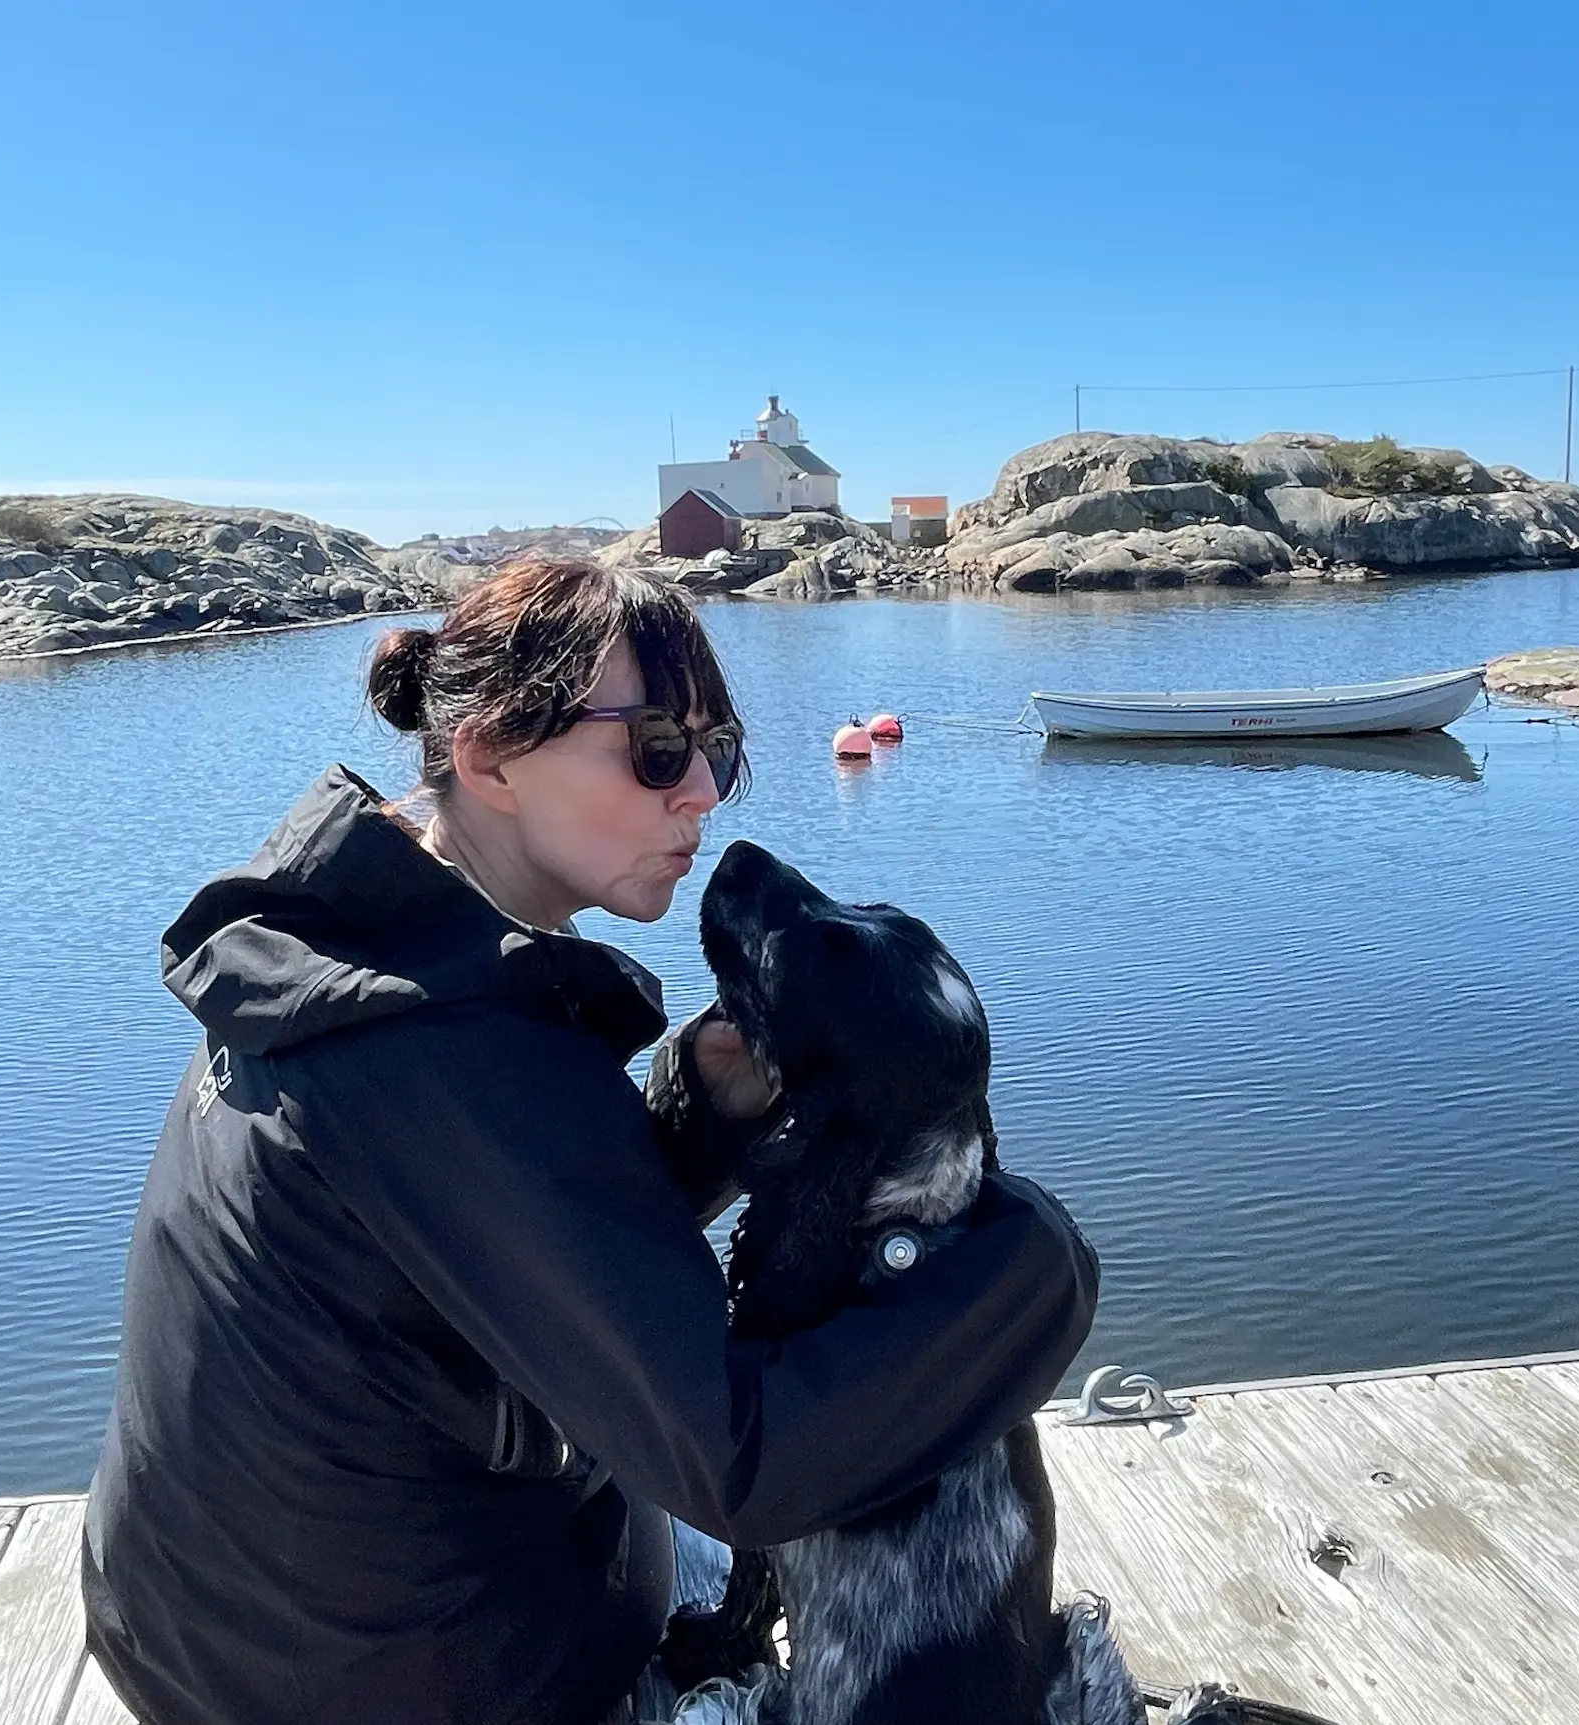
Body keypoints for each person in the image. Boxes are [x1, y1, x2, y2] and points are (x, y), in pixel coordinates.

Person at [82, 560, 1100, 1725]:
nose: (704, 793)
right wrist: (1036, 1267)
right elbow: (745, 1467)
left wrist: (700, 1110)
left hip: (223, 1623)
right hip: (385, 1682)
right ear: (486, 756)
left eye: (718, 748)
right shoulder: (447, 1058)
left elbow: (497, 1247)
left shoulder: (345, 952)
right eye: (657, 744)